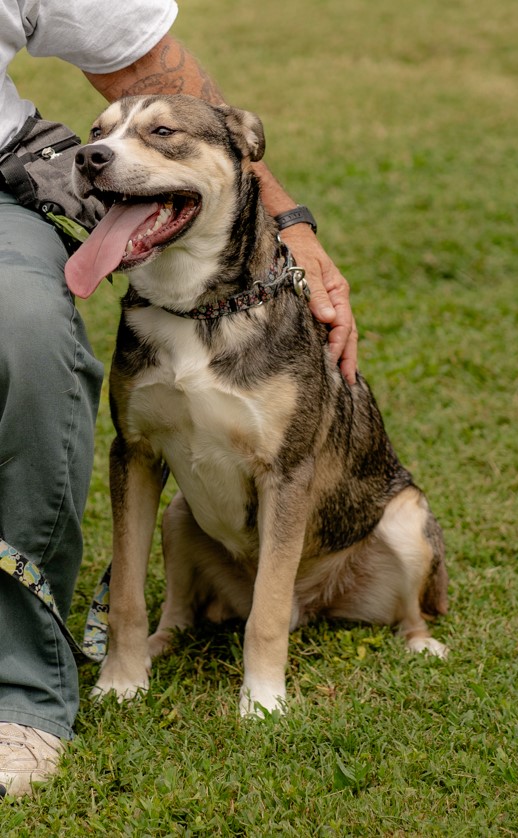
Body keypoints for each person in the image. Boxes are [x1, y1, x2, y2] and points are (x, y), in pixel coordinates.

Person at [0, 0, 357, 797]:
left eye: (158, 136)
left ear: (240, 153)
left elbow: (133, 52)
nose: (102, 149)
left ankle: (22, 692)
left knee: (24, 324)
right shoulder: (140, 305)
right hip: (162, 327)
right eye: (105, 134)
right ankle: (133, 632)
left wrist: (289, 222)